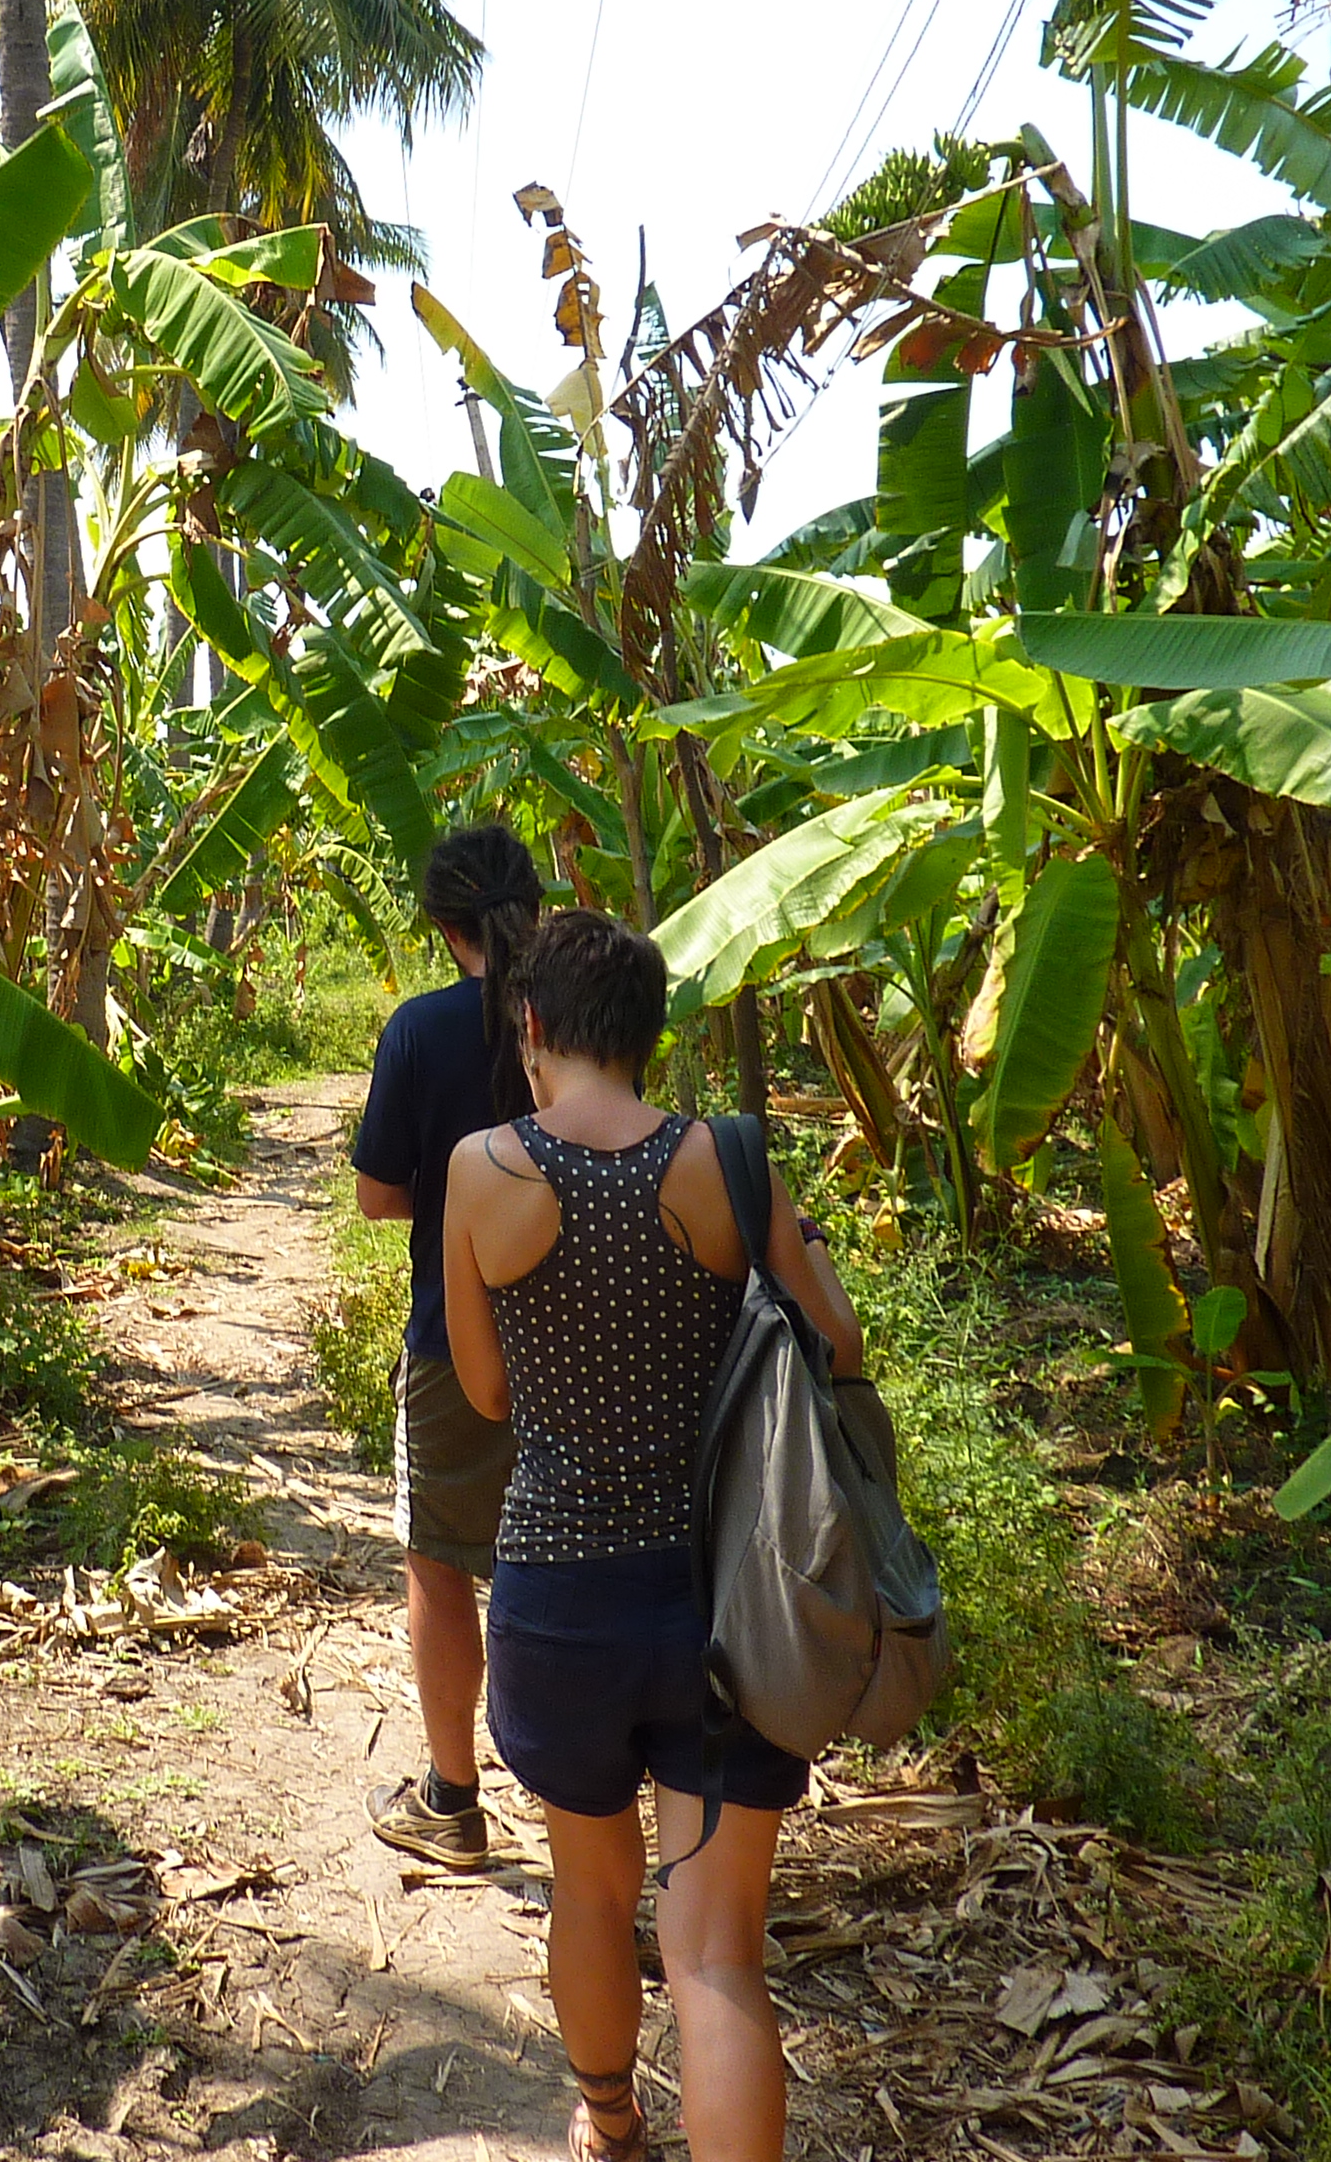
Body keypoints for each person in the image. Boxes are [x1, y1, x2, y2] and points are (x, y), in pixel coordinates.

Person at [441, 910, 863, 2162]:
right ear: (650, 1032)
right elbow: (836, 1345)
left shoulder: (482, 1168)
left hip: (561, 1598)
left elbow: (486, 1393)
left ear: (531, 1026)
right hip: (724, 1602)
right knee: (718, 1952)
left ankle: (612, 2121)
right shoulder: (727, 1159)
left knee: (589, 1892)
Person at [348, 824, 543, 1862]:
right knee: (569, 1558)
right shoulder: (578, 1018)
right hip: (585, 1337)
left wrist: (456, 1193)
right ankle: (586, 1806)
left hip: (455, 1336)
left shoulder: (420, 1031)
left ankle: (453, 1798)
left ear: (442, 927)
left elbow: (379, 1195)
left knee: (439, 1561)